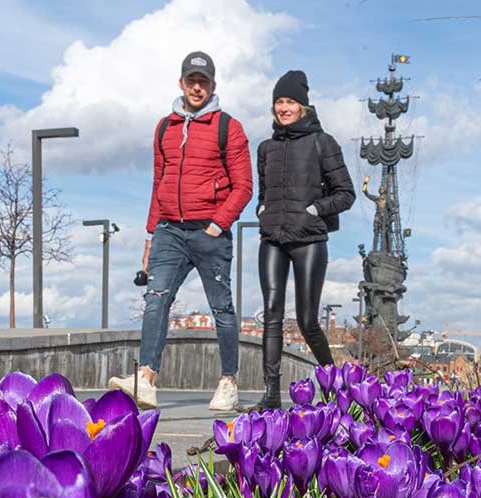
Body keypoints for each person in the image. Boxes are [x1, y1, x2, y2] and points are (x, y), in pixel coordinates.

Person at [111, 51, 253, 411]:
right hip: (169, 230)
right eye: (191, 80)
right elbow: (158, 182)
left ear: (213, 86)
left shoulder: (228, 127)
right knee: (156, 299)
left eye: (203, 81)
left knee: (221, 307)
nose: (197, 87)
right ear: (181, 83)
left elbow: (244, 186)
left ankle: (228, 383)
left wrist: (217, 225)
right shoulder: (165, 127)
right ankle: (146, 379)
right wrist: (150, 235)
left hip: (209, 231)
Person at [253, 70, 355, 409]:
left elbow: (346, 194)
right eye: (278, 102)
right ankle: (270, 396)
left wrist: (314, 209)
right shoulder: (265, 148)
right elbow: (263, 192)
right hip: (272, 239)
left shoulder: (322, 143)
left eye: (290, 102)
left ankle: (334, 386)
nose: (283, 108)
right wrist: (262, 209)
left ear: (303, 107)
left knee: (308, 320)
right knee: (271, 314)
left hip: (309, 240)